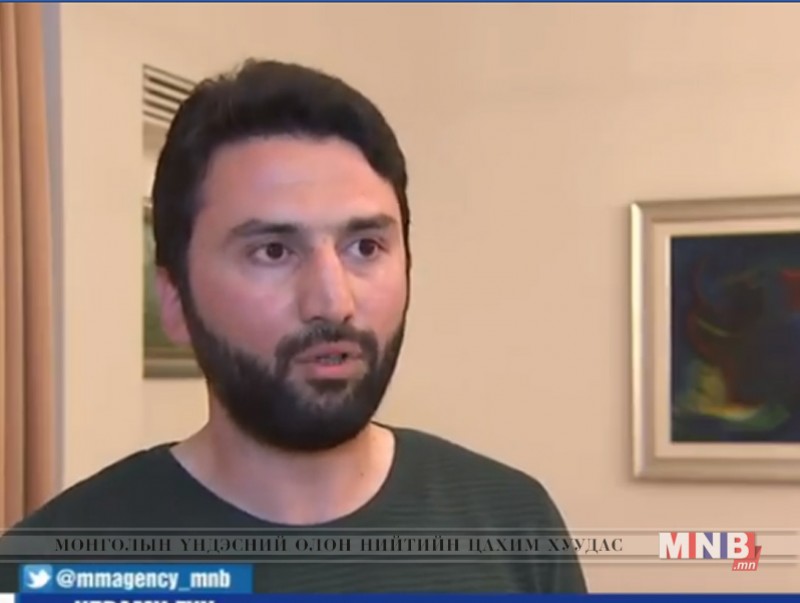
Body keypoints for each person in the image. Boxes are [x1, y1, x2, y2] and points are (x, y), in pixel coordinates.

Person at [1, 59, 587, 593]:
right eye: (274, 252)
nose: (333, 301)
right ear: (174, 299)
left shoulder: (513, 524)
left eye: (365, 246)